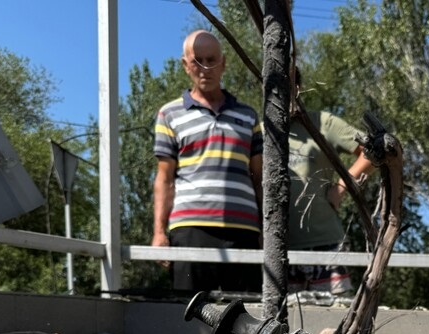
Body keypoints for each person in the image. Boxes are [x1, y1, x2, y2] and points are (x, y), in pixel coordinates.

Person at [152, 30, 263, 296]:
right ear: (185, 65)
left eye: (211, 60)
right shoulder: (169, 114)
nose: (205, 68)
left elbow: (260, 178)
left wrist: (267, 230)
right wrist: (159, 233)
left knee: (248, 314)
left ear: (223, 63)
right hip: (190, 228)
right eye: (197, 61)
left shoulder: (248, 116)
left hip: (243, 229)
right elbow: (165, 179)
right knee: (190, 315)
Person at [287, 69, 374, 296]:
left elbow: (373, 152)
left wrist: (342, 187)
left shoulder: (322, 123)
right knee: (280, 325)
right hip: (279, 248)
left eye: (289, 84)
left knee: (331, 323)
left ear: (298, 87)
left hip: (325, 241)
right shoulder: (264, 131)